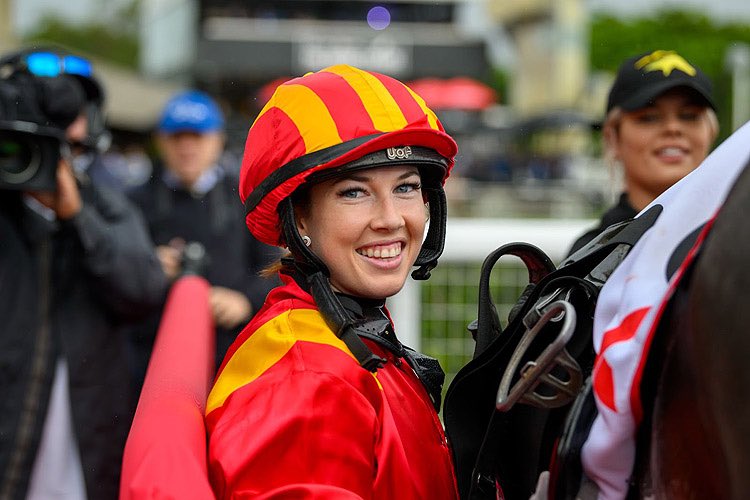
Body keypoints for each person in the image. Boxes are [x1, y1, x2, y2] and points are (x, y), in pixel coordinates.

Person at [205, 64, 459, 498]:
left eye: (406, 187)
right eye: (354, 192)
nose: (391, 219)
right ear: (299, 214)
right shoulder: (307, 384)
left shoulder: (342, 325)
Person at [0, 49, 167, 499]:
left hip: (81, 433)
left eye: (67, 139)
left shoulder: (107, 205)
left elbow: (143, 290)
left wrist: (76, 217)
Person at [127, 90, 279, 386]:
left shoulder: (248, 198)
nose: (187, 147)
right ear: (160, 141)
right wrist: (145, 266)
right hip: (154, 358)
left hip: (234, 355)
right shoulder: (134, 202)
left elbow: (274, 266)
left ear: (218, 139)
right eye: (177, 137)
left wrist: (244, 301)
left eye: (197, 137)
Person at [567, 49, 719, 255]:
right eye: (649, 117)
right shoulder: (590, 256)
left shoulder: (735, 237)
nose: (673, 128)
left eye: (689, 116)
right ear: (613, 137)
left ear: (711, 133)